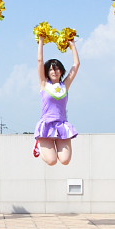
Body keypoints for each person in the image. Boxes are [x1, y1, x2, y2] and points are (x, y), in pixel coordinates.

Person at [33, 37, 80, 165]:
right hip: (47, 125)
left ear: (61, 71)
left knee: (65, 160)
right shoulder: (44, 84)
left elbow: (76, 65)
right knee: (52, 161)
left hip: (62, 124)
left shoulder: (65, 85)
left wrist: (72, 45)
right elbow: (40, 61)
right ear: (47, 72)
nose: (54, 71)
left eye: (57, 68)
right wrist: (41, 41)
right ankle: (38, 146)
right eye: (51, 69)